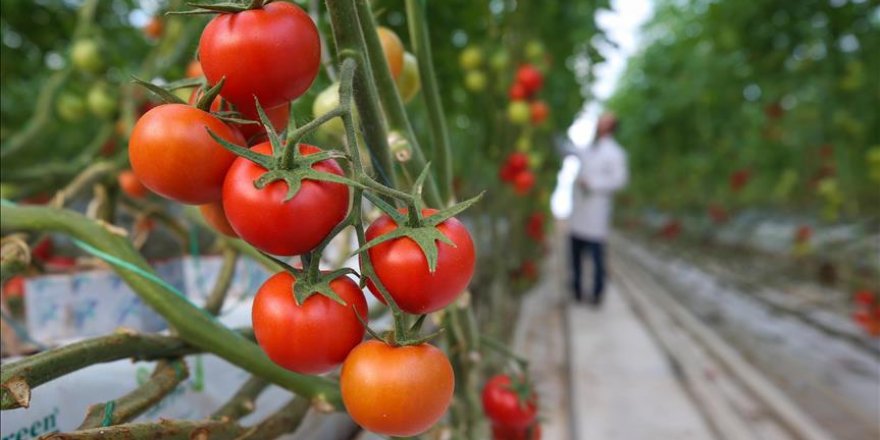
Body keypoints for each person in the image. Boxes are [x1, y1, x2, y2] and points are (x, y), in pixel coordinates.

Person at [569, 112, 628, 305]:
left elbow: (619, 180)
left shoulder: (615, 153)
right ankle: (577, 290)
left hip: (596, 211)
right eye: (599, 120)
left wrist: (593, 183)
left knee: (596, 257)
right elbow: (572, 151)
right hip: (579, 211)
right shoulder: (589, 148)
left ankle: (597, 294)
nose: (599, 123)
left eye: (604, 121)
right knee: (575, 255)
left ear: (611, 127)